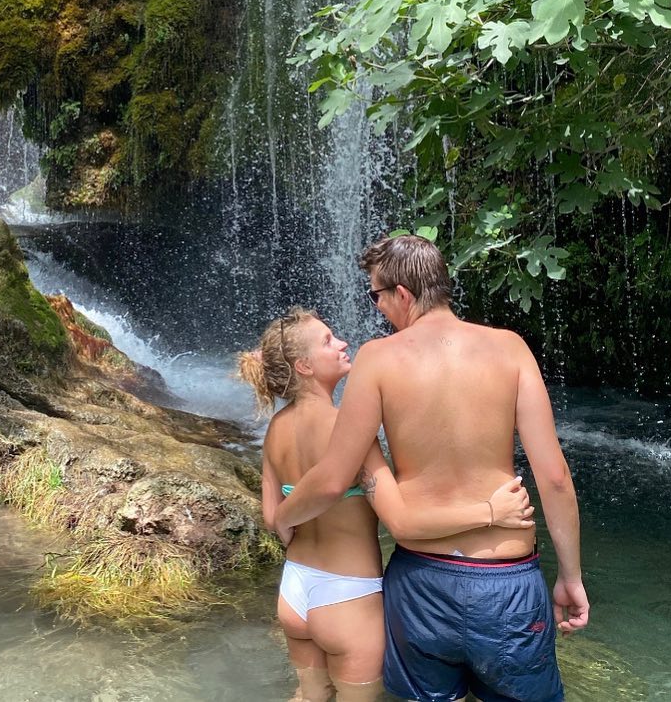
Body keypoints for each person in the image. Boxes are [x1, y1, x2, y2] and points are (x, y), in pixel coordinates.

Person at [274, 237, 589, 702]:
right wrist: (571, 576)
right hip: (505, 582)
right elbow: (555, 478)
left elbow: (333, 478)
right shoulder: (511, 348)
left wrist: (283, 516)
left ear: (402, 294)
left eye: (376, 295)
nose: (377, 307)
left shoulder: (377, 358)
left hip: (421, 583)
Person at [238, 307, 535, 702]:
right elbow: (404, 522)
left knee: (310, 696)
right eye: (327, 340)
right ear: (304, 366)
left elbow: (272, 517)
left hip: (294, 590)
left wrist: (289, 519)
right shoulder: (348, 432)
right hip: (347, 597)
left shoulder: (276, 429)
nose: (342, 343)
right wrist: (491, 512)